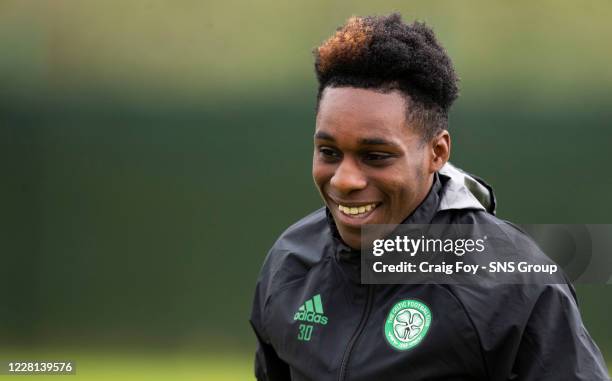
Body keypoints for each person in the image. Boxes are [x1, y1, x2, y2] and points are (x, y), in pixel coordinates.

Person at [250, 13, 609, 381]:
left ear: (437, 152)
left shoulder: (516, 285)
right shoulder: (289, 264)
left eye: (375, 156)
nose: (345, 180)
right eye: (329, 152)